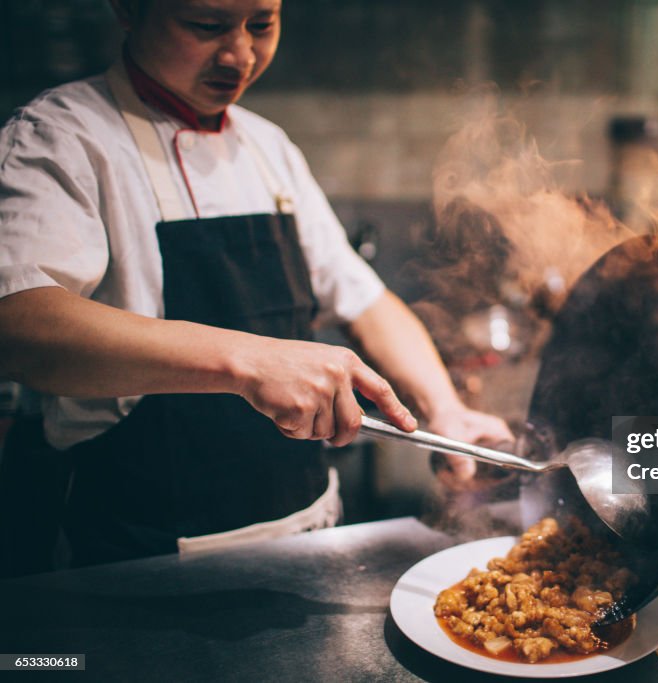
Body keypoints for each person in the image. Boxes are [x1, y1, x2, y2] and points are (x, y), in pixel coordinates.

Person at [0, 0, 512, 566]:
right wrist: (248, 360)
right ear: (128, 9)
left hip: (307, 532)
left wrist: (444, 408)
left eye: (261, 24)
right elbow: (19, 322)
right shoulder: (60, 137)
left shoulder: (268, 147)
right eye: (207, 25)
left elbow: (366, 300)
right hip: (138, 555)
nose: (240, 53)